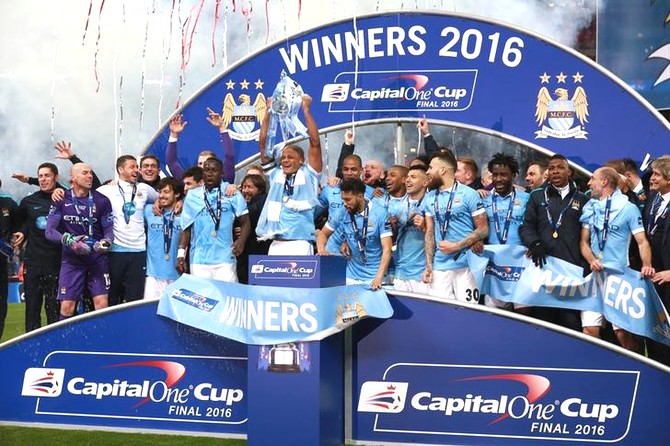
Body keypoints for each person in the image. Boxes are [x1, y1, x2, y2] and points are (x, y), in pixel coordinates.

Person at [579, 167, 654, 352]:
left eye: (593, 179)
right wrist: (591, 259)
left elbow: (642, 241)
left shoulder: (629, 208)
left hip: (620, 277)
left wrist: (646, 265)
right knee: (589, 330)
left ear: (604, 182)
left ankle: (637, 369)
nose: (589, 183)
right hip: (595, 277)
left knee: (622, 334)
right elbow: (583, 241)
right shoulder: (591, 207)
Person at [519, 154, 589, 331]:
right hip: (544, 268)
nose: (555, 171)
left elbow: (588, 234)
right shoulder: (536, 196)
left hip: (571, 270)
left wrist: (584, 262)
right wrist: (534, 243)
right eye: (552, 168)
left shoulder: (582, 199)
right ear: (547, 172)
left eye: (560, 167)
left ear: (569, 171)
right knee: (544, 323)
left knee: (571, 323)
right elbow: (526, 226)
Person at [45, 163, 114, 319]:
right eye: (85, 173)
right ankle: (66, 342)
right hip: (72, 260)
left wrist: (105, 243)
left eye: (90, 173)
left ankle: (100, 341)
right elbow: (49, 231)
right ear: (73, 177)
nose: (89, 176)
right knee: (67, 306)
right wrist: (70, 241)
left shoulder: (102, 200)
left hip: (96, 258)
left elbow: (109, 231)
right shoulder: (61, 198)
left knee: (102, 304)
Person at [256, 94, 322, 255]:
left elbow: (315, 143)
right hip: (276, 242)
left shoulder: (310, 173)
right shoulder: (275, 174)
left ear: (301, 160)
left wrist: (306, 110)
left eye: (290, 157)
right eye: (283, 157)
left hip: (300, 243)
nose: (285, 160)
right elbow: (263, 144)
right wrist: (268, 112)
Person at [422, 152, 488, 302]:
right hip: (440, 265)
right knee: (439, 312)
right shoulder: (430, 197)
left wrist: (455, 246)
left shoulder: (469, 194)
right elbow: (430, 232)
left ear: (443, 170)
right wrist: (428, 265)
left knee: (468, 313)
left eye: (431, 167)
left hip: (466, 264)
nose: (427, 172)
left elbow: (483, 229)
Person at [98, 155, 158, 305]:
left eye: (137, 167)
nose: (136, 170)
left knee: (135, 298)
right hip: (116, 251)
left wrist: (168, 204)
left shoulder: (143, 189)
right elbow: (83, 196)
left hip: (139, 251)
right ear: (120, 169)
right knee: (113, 297)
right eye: (132, 167)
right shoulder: (107, 190)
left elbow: (163, 198)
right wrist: (57, 192)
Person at [177, 158, 250, 281]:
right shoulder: (193, 196)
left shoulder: (231, 192)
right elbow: (186, 228)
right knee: (202, 297)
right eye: (206, 170)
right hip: (199, 259)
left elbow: (246, 221)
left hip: (225, 257)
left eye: (214, 170)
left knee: (226, 296)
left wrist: (241, 241)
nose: (210, 174)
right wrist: (181, 255)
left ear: (222, 173)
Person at [12, 163, 63, 331]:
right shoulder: (28, 201)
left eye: (47, 176)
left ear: (56, 177)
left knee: (54, 310)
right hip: (33, 263)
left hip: (57, 263)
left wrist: (29, 180)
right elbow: (21, 222)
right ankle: (31, 351)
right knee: (32, 310)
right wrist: (21, 232)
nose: (42, 179)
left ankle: (55, 348)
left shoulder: (65, 198)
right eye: (40, 176)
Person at [317, 179, 392, 290]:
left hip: (375, 276)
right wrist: (321, 250)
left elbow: (387, 249)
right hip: (351, 275)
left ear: (360, 197)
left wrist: (378, 278)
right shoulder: (342, 212)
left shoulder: (380, 213)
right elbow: (323, 234)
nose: (345, 204)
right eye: (343, 200)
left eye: (348, 200)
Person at [479, 153, 530, 311]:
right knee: (494, 316)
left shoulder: (526, 198)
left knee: (524, 315)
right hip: (494, 265)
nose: (498, 179)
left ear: (513, 175)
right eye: (495, 175)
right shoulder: (482, 200)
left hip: (521, 263)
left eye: (503, 175)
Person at [645, 155, 670, 365]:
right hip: (653, 278)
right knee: (654, 332)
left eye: (656, 174)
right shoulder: (653, 200)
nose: (651, 178)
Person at [165, 112, 235, 183]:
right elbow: (172, 163)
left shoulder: (225, 180)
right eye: (200, 164)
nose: (202, 167)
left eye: (206, 163)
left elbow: (230, 156)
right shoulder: (190, 182)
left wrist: (222, 128)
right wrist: (173, 134)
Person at [390, 165, 429, 294]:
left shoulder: (432, 202)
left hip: (423, 271)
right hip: (401, 271)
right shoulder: (395, 206)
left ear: (425, 182)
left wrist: (425, 227)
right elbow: (391, 239)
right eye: (407, 177)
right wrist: (393, 226)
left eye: (413, 177)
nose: (408, 180)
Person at [144, 177, 183, 300]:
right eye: (160, 192)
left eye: (166, 192)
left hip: (177, 275)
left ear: (177, 194)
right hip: (153, 276)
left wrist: (182, 201)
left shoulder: (185, 213)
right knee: (148, 313)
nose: (161, 195)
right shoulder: (149, 211)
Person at [237, 174, 271, 284]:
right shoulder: (240, 204)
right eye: (244, 187)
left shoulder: (263, 201)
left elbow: (252, 213)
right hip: (244, 257)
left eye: (250, 187)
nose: (245, 190)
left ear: (260, 189)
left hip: (260, 257)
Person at [0, 179, 18, 337]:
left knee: (1, 305)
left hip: (1, 264)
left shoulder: (9, 204)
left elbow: (22, 224)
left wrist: (22, 233)